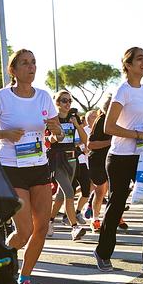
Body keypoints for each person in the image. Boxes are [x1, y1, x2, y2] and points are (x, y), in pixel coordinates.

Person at [0, 49, 61, 284]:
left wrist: (56, 129)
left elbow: (59, 134)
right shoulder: (2, 97)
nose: (31, 67)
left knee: (42, 227)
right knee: (24, 230)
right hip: (12, 168)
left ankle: (24, 279)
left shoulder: (44, 97)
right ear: (13, 70)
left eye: (34, 62)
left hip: (39, 165)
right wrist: (5, 134)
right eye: (25, 63)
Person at [94, 47, 143, 272]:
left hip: (141, 156)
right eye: (140, 59)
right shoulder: (123, 90)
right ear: (127, 65)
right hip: (120, 158)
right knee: (117, 204)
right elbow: (110, 127)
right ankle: (102, 252)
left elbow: (139, 122)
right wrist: (142, 134)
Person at [46, 90, 89, 240]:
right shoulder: (52, 119)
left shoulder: (73, 118)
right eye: (64, 100)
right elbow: (48, 141)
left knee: (60, 195)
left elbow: (85, 139)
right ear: (57, 102)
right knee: (69, 192)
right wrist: (56, 135)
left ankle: (49, 222)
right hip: (57, 161)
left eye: (69, 101)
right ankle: (74, 227)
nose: (67, 104)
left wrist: (77, 124)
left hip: (72, 160)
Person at [85, 96, 112, 232]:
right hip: (97, 160)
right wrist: (111, 142)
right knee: (100, 190)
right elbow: (90, 144)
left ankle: (113, 216)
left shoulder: (119, 119)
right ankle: (95, 219)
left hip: (112, 159)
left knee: (113, 190)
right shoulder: (101, 120)